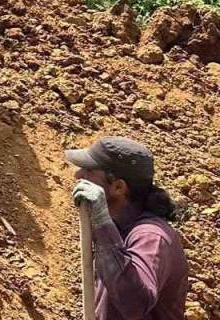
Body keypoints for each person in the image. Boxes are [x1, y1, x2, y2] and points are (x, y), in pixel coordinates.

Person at [66, 137, 188, 320]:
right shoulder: (119, 229)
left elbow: (134, 304)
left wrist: (101, 221)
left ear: (118, 187)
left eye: (89, 170)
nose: (78, 175)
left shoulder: (151, 237)